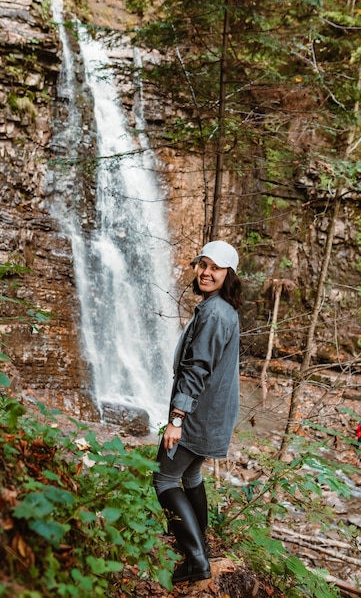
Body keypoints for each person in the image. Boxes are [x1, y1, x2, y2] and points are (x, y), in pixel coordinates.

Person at [153, 240, 242, 584]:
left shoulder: (216, 314)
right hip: (212, 414)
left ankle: (196, 560)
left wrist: (176, 420)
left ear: (228, 274)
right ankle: (198, 548)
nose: (206, 272)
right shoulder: (219, 308)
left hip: (198, 415)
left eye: (215, 268)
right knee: (190, 476)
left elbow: (197, 368)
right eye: (202, 265)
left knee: (162, 478)